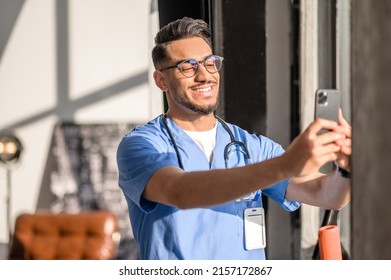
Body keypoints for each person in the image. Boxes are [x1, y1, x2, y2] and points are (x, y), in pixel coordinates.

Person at [116, 17, 351, 260]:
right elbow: (180, 191)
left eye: (210, 63)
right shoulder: (141, 145)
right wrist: (286, 165)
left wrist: (347, 170)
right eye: (188, 67)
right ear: (161, 80)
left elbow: (325, 194)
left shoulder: (251, 147)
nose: (204, 76)